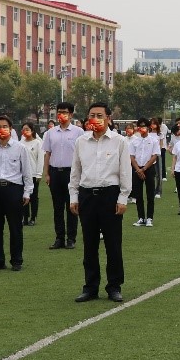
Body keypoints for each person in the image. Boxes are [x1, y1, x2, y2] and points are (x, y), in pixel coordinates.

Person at [69, 102, 132, 303]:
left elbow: (125, 171)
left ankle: (114, 286)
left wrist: (123, 197)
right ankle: (90, 287)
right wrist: (74, 196)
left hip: (110, 196)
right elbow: (75, 171)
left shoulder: (119, 141)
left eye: (99, 115)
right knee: (89, 244)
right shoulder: (81, 141)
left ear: (108, 118)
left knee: (113, 244)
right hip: (87, 195)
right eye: (91, 115)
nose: (95, 119)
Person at [0, 115, 33, 271]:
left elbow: (27, 172)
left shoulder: (20, 148)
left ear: (10, 129)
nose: (1, 129)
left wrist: (27, 192)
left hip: (13, 189)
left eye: (4, 126)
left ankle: (16, 261)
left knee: (15, 227)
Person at [41, 103, 83, 250]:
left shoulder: (78, 132)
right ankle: (59, 238)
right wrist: (46, 173)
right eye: (59, 112)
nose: (61, 115)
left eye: (64, 112)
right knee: (57, 207)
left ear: (71, 114)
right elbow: (47, 154)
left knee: (72, 206)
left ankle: (71, 238)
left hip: (71, 173)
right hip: (55, 173)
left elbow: (82, 154)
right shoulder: (50, 133)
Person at [129, 119, 160, 227]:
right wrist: (138, 169)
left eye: (144, 126)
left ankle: (149, 218)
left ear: (148, 127)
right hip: (137, 169)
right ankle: (141, 218)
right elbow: (131, 156)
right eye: (140, 126)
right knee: (138, 195)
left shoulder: (154, 140)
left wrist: (144, 168)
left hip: (149, 168)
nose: (141, 128)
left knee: (150, 194)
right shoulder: (134, 141)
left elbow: (154, 156)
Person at [18, 123, 44, 226]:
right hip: (22, 174)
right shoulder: (20, 143)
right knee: (23, 196)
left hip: (33, 174)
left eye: (27, 129)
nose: (25, 131)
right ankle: (24, 218)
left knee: (33, 197)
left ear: (32, 131)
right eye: (23, 129)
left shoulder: (37, 143)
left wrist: (39, 174)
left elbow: (40, 159)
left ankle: (33, 218)